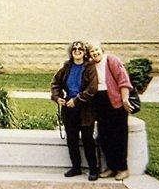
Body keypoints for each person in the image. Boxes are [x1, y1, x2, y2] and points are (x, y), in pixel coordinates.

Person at [51, 40, 99, 181]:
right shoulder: (66, 67)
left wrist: (76, 100)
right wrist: (57, 97)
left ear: (84, 53)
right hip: (68, 109)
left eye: (80, 49)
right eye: (74, 49)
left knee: (87, 139)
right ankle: (76, 167)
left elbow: (92, 89)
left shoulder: (90, 67)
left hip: (85, 110)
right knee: (71, 140)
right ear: (71, 52)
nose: (77, 51)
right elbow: (55, 83)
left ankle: (93, 169)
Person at [87, 42, 134, 181]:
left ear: (101, 49)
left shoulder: (112, 60)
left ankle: (123, 168)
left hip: (115, 102)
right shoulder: (91, 65)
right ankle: (112, 167)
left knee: (119, 136)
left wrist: (125, 99)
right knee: (104, 136)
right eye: (91, 51)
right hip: (100, 102)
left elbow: (123, 81)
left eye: (96, 49)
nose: (95, 53)